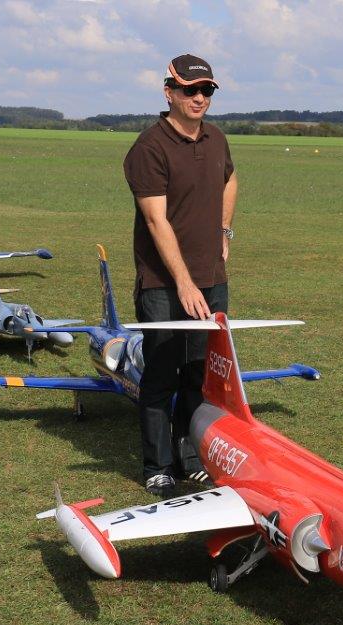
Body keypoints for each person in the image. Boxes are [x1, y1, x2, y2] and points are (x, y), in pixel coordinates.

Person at [123, 53, 238, 496]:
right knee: (161, 374)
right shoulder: (149, 148)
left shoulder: (216, 138)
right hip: (163, 284)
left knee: (198, 372)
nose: (199, 98)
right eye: (190, 90)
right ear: (168, 92)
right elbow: (156, 221)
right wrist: (184, 283)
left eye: (206, 90)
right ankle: (158, 466)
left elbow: (230, 179)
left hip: (211, 278)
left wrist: (224, 230)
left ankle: (191, 459)